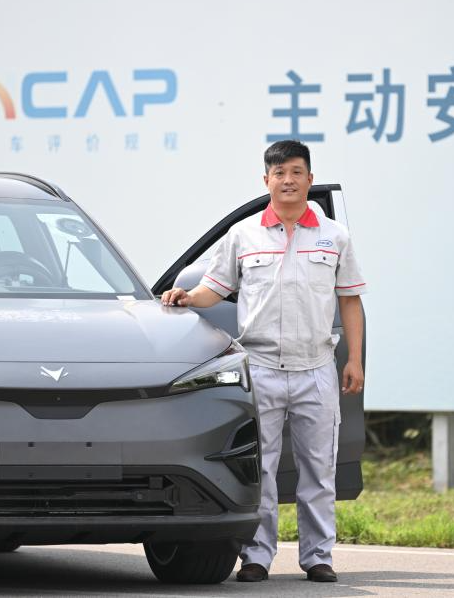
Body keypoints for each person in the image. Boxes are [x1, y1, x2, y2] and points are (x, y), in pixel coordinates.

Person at [161, 140, 366, 583]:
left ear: (309, 179)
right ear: (266, 180)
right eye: (279, 173)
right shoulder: (244, 235)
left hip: (316, 368)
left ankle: (318, 557)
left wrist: (354, 360)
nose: (288, 180)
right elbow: (214, 289)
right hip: (260, 369)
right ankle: (256, 556)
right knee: (262, 470)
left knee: (319, 470)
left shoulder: (334, 236)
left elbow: (350, 301)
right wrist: (186, 297)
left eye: (296, 172)